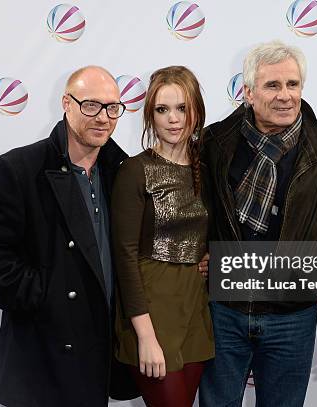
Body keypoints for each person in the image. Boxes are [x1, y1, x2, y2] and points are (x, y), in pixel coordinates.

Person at [199, 41, 317, 406]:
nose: (285, 96)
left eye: (293, 85)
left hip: (292, 318)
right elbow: (193, 214)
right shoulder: (214, 143)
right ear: (247, 92)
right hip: (222, 313)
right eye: (272, 86)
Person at [0, 66, 139, 406]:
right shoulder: (20, 168)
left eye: (112, 107)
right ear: (66, 104)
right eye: (91, 105)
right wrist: (44, 292)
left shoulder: (122, 171)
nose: (103, 117)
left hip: (97, 353)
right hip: (41, 356)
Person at [111, 66, 214, 407]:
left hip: (195, 311)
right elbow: (124, 256)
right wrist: (145, 335)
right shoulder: (134, 170)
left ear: (196, 110)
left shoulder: (207, 167)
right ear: (149, 116)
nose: (173, 119)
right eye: (162, 109)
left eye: (182, 108)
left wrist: (212, 257)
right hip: (151, 312)